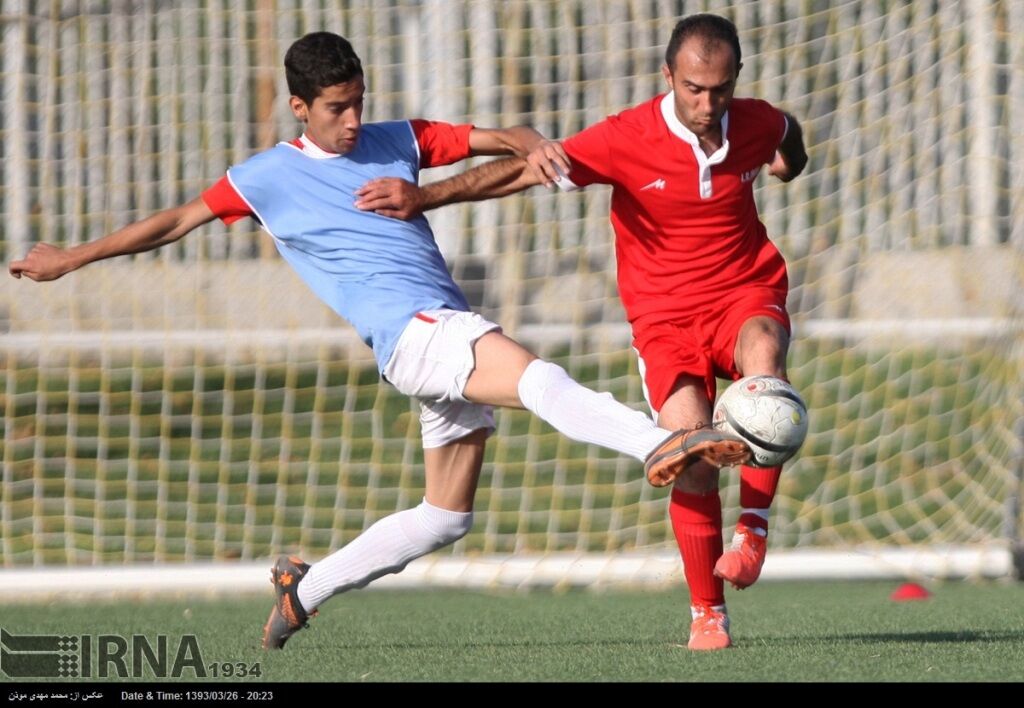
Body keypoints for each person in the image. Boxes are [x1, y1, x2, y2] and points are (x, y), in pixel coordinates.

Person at [8, 31, 751, 650]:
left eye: (359, 100)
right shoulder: (265, 176)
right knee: (534, 376)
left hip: (437, 329)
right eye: (336, 108)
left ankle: (306, 589)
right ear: (299, 107)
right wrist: (69, 260)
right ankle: (656, 443)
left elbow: (495, 138)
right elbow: (173, 223)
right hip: (416, 335)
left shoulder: (399, 139)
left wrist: (532, 141)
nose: (353, 119)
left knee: (445, 516)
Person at [353, 14, 808, 651]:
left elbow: (789, 135)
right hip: (663, 320)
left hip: (743, 291)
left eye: (721, 89)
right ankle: (709, 611)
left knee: (766, 367)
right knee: (693, 456)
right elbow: (524, 173)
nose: (708, 104)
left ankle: (753, 530)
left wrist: (787, 165)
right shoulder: (626, 137)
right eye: (694, 90)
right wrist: (425, 198)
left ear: (737, 81)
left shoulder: (758, 121)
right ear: (668, 77)